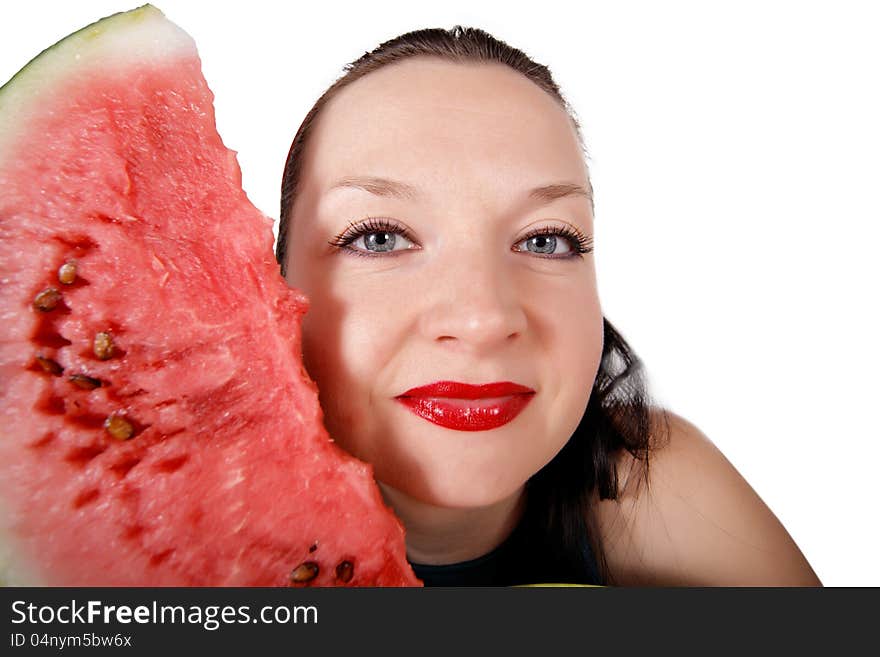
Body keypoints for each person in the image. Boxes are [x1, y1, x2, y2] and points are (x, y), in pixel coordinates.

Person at [275, 26, 821, 586]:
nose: (483, 320)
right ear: (270, 284)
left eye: (546, 240)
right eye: (380, 237)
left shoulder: (665, 490)